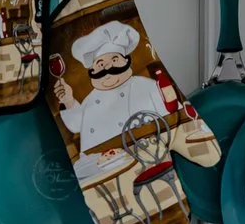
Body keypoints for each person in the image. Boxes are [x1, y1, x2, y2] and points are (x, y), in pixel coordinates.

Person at [55, 21, 171, 155]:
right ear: (92, 70)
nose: (107, 67)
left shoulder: (146, 86)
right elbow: (75, 126)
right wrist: (68, 100)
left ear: (126, 61)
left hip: (146, 153)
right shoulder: (91, 99)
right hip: (96, 165)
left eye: (114, 59)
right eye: (100, 63)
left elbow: (169, 117)